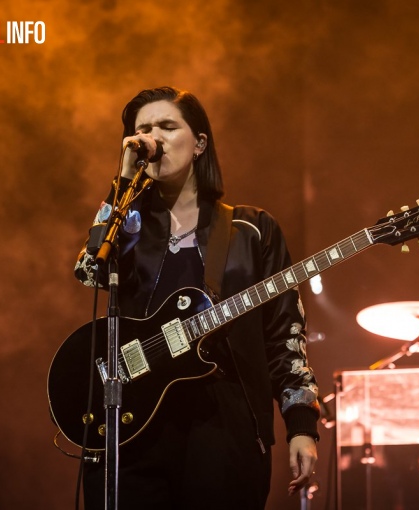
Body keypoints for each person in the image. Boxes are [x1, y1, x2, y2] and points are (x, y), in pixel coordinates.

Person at [73, 86, 319, 509]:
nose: (153, 137)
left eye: (168, 126)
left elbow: (285, 332)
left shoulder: (251, 229)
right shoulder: (126, 226)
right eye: (143, 129)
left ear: (200, 142)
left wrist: (301, 425)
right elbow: (88, 269)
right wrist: (122, 184)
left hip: (223, 425)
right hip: (134, 425)